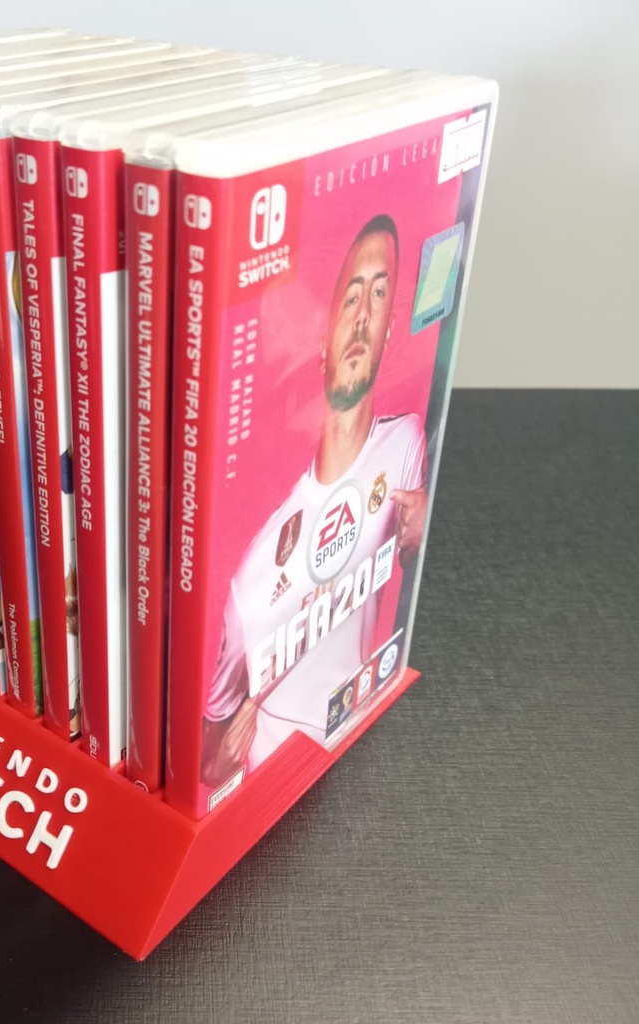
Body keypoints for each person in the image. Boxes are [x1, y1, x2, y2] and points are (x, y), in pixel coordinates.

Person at [201, 214, 428, 788]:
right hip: (275, 791)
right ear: (323, 343)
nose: (363, 313)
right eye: (351, 296)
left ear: (390, 328)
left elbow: (407, 565)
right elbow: (206, 753)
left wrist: (418, 535)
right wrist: (216, 765)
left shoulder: (406, 444)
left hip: (358, 741)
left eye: (379, 294)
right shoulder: (251, 578)